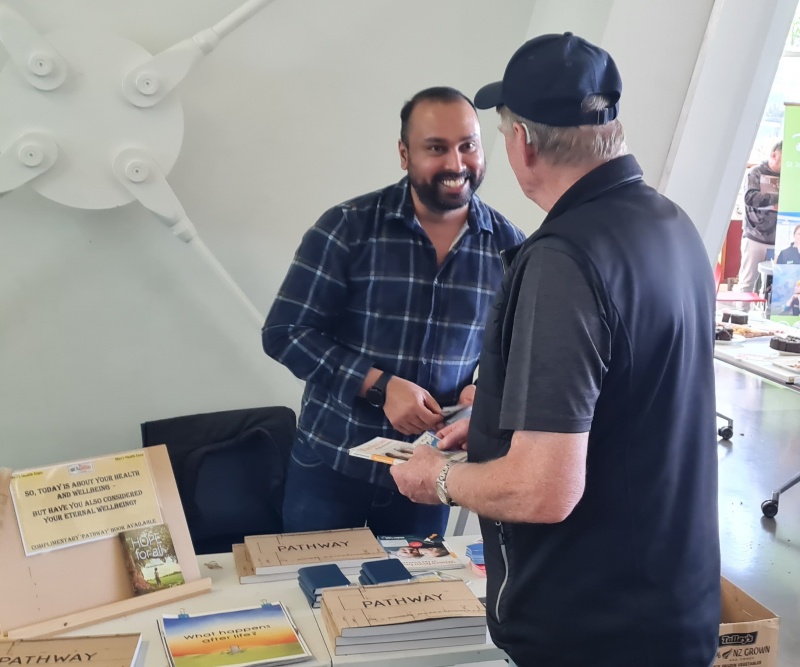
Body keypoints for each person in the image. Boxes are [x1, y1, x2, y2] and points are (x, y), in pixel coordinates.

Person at [392, 33, 720, 667]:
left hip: (593, 630)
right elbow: (632, 397)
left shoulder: (563, 258)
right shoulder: (671, 225)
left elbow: (543, 490)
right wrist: (494, 421)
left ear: (523, 141)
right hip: (672, 604)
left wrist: (437, 479)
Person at [263, 86, 525, 537]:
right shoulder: (347, 227)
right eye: (436, 148)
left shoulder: (510, 248)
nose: (456, 163)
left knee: (416, 586)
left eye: (468, 146)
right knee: (314, 582)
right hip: (332, 463)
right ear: (404, 154)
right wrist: (379, 386)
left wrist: (484, 391)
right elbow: (285, 332)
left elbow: (517, 355)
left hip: (431, 475)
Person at [738, 141, 782, 291]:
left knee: (773, 285)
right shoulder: (756, 172)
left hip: (779, 239)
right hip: (755, 237)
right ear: (774, 155)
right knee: (747, 282)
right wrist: (777, 198)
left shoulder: (789, 176)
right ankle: (741, 307)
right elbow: (750, 198)